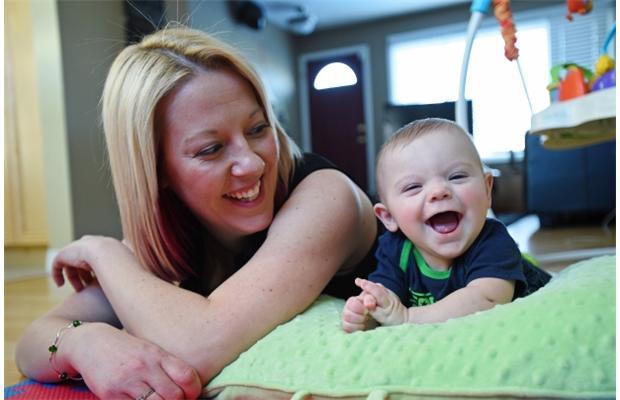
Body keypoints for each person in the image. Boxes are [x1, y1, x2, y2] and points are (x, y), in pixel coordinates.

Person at [15, 26, 378, 399]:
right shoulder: (173, 228)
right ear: (156, 169)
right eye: (211, 149)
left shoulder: (327, 196)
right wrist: (83, 342)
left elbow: (199, 346)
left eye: (257, 129)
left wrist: (102, 251)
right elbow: (29, 345)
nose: (252, 163)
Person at [341, 118, 551, 333]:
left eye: (456, 176)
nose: (439, 191)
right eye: (413, 187)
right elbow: (388, 299)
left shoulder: (492, 240)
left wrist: (407, 317)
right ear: (388, 217)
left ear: (487, 189)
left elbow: (487, 299)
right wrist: (370, 312)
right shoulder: (396, 248)